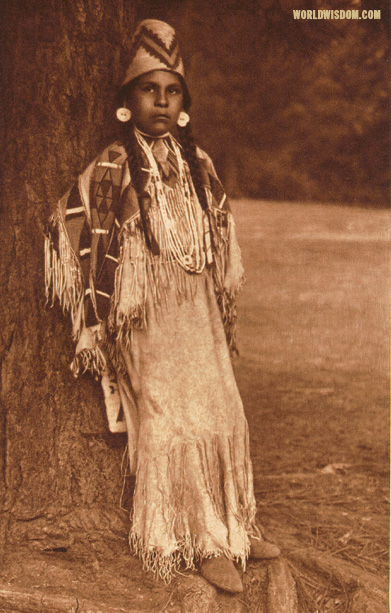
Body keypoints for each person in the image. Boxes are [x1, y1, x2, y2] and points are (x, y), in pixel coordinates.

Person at [45, 19, 280, 594]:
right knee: (173, 422)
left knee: (224, 409)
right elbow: (67, 223)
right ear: (127, 100)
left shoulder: (197, 163)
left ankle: (234, 523)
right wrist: (102, 304)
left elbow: (220, 237)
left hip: (198, 315)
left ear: (184, 102)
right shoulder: (112, 166)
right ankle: (194, 540)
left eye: (172, 90)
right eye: (149, 89)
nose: (161, 100)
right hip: (147, 321)